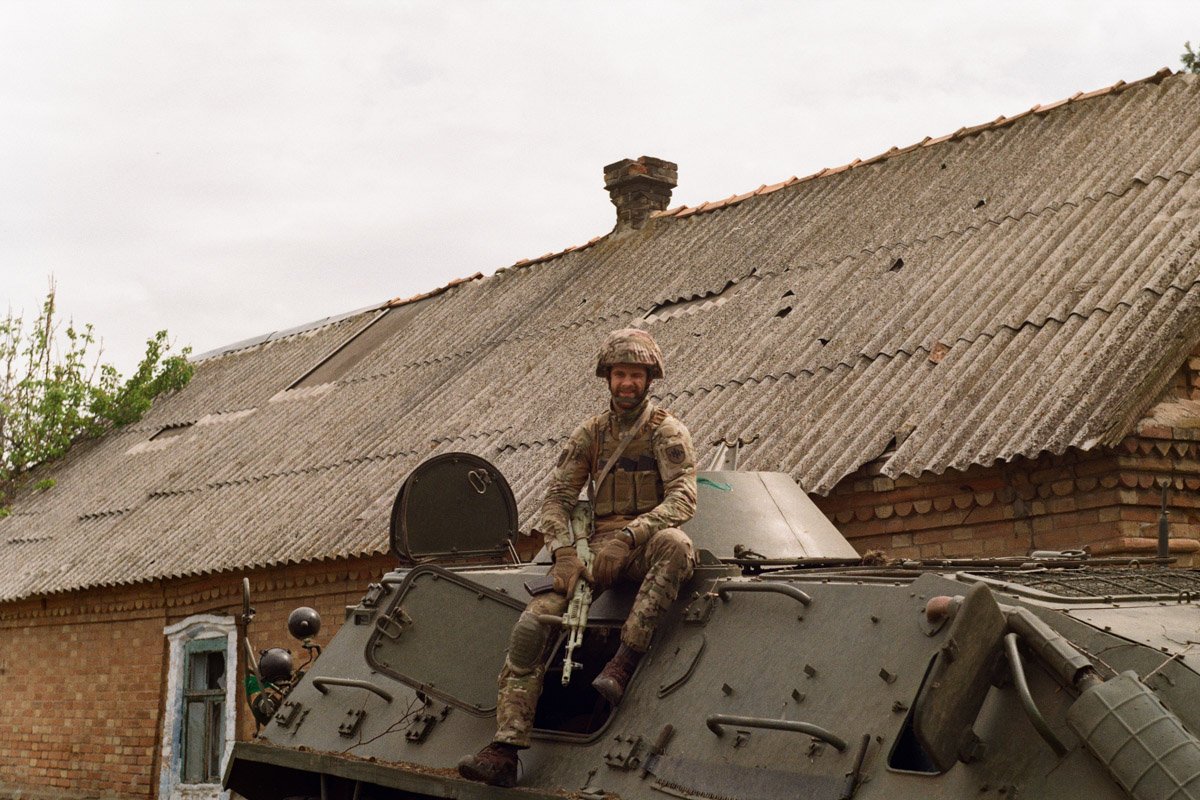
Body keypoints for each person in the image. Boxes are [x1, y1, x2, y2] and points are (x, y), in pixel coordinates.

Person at [458, 328, 697, 787]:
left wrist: (630, 535)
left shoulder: (666, 431)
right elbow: (558, 498)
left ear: (650, 379)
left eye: (636, 375)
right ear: (608, 377)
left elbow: (683, 498)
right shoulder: (591, 433)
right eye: (620, 374)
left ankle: (624, 660)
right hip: (590, 549)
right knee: (532, 625)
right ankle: (504, 749)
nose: (627, 383)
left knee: (677, 546)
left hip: (641, 543)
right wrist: (564, 553)